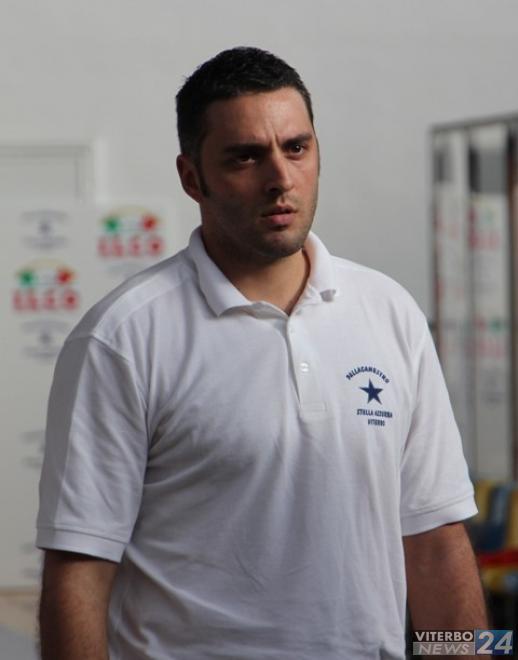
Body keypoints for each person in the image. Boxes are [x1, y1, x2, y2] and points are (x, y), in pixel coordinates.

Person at [37, 47, 487, 660]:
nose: (280, 178)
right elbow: (80, 568)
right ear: (191, 177)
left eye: (296, 148)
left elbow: (434, 540)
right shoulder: (122, 338)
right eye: (246, 156)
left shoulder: (390, 312)